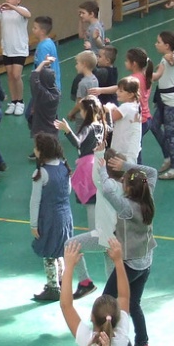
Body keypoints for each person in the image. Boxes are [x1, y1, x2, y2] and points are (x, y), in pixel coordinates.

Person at [99, 154, 158, 346]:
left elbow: (107, 190)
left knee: (106, 300)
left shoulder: (126, 208)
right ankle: (142, 342)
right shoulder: (148, 195)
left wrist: (102, 170)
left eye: (124, 181)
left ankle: (110, 341)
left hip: (129, 265)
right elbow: (152, 172)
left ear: (130, 189)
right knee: (133, 303)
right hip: (146, 262)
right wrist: (126, 165)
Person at [58, 96, 110, 297]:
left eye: (81, 110)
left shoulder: (88, 127)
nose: (79, 113)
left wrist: (67, 130)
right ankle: (110, 285)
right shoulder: (102, 126)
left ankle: (85, 280)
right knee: (105, 240)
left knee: (93, 236)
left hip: (89, 175)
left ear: (87, 111)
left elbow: (78, 143)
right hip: (99, 172)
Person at [30, 133, 74, 303]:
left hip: (49, 218)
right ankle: (62, 282)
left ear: (42, 151)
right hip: (65, 215)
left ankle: (52, 287)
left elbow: (35, 201)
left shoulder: (41, 173)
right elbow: (68, 190)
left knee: (48, 253)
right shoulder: (64, 167)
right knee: (60, 250)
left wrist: (33, 224)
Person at [150, 30, 174, 180]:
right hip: (164, 100)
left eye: (158, 42)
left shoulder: (169, 58)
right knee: (154, 126)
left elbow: (168, 63)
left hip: (173, 103)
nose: (156, 44)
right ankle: (168, 157)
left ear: (167, 46)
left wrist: (142, 72)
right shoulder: (172, 53)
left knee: (169, 135)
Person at [28, 55, 61, 155]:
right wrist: (47, 65)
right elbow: (45, 77)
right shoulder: (56, 92)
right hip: (52, 128)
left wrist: (43, 63)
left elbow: (33, 78)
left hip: (41, 128)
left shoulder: (42, 95)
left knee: (44, 151)